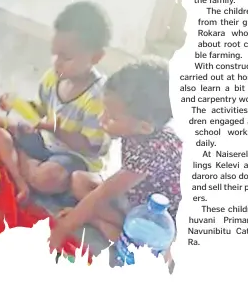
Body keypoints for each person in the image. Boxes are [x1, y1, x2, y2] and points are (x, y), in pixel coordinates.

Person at [48, 58, 182, 251]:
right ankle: (98, 218)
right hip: (134, 195)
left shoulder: (152, 152)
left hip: (152, 218)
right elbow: (111, 187)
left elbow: (103, 194)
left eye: (111, 117)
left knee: (103, 209)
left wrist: (62, 229)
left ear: (144, 127)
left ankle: (109, 226)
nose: (101, 119)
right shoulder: (141, 131)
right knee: (79, 181)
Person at [0, 1, 111, 204]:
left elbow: (93, 147)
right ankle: (25, 174)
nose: (57, 62)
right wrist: (18, 104)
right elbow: (41, 109)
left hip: (76, 158)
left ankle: (20, 164)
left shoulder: (99, 97)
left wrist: (56, 129)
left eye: (66, 57)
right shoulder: (53, 77)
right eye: (55, 54)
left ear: (96, 57)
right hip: (45, 142)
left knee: (47, 178)